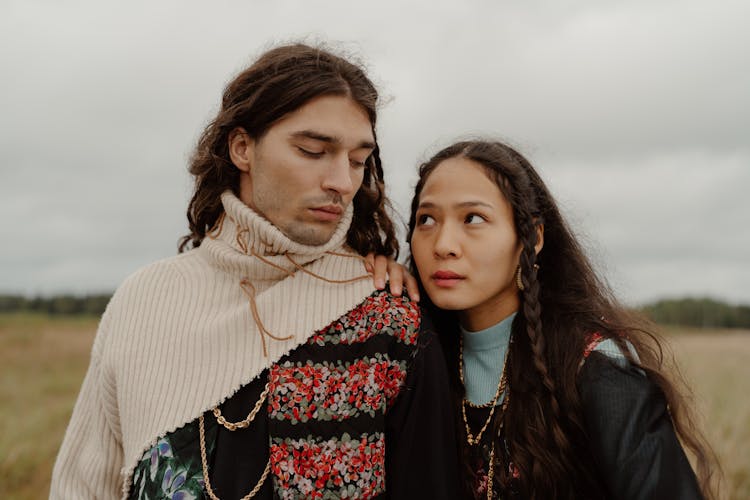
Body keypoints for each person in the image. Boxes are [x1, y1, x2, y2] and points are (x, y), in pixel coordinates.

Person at [50, 43, 458, 499]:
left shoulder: (387, 315)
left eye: (359, 161)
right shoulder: (143, 299)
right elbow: (82, 487)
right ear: (242, 148)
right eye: (312, 150)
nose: (342, 182)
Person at [407, 140, 718, 499]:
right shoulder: (413, 355)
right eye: (426, 219)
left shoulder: (594, 365)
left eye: (473, 218)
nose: (443, 244)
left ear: (532, 238)